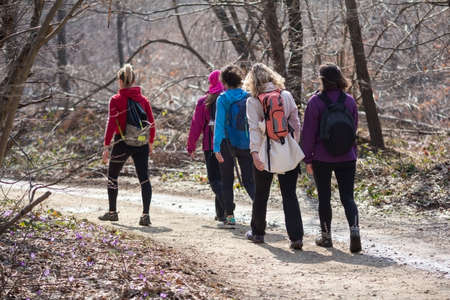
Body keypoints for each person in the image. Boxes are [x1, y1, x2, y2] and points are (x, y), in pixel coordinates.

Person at [301, 63, 361, 253]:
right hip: (347, 157)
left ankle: (326, 238)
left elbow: (308, 133)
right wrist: (354, 152)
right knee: (348, 197)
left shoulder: (315, 102)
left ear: (322, 80)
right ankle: (355, 232)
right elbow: (354, 129)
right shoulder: (350, 101)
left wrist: (308, 159)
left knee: (324, 197)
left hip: (322, 158)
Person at [244, 63, 304, 249]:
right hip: (287, 149)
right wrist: (292, 143)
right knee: (289, 194)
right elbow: (296, 121)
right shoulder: (285, 95)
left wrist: (254, 153)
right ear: (272, 76)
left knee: (261, 194)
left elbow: (254, 129)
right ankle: (296, 238)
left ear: (252, 82)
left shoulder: (253, 101)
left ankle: (258, 233)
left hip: (264, 152)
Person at [100, 64, 155, 226]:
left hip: (122, 141)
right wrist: (150, 142)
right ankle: (145, 215)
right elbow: (151, 122)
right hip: (141, 143)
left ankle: (112, 212)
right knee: (144, 178)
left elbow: (111, 123)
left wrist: (106, 145)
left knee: (112, 176)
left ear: (120, 80)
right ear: (133, 80)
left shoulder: (116, 100)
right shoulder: (143, 100)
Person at [214, 64, 255, 227]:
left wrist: (216, 147)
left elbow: (219, 124)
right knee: (249, 180)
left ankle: (229, 216)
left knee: (227, 180)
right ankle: (260, 211)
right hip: (246, 142)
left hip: (226, 143)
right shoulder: (248, 96)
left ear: (224, 82)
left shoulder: (223, 98)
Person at [187, 70, 225, 222]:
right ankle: (222, 214)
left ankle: (228, 206)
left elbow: (196, 125)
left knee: (214, 179)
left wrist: (191, 146)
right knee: (224, 179)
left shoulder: (204, 101)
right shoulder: (228, 98)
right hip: (228, 145)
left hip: (210, 146)